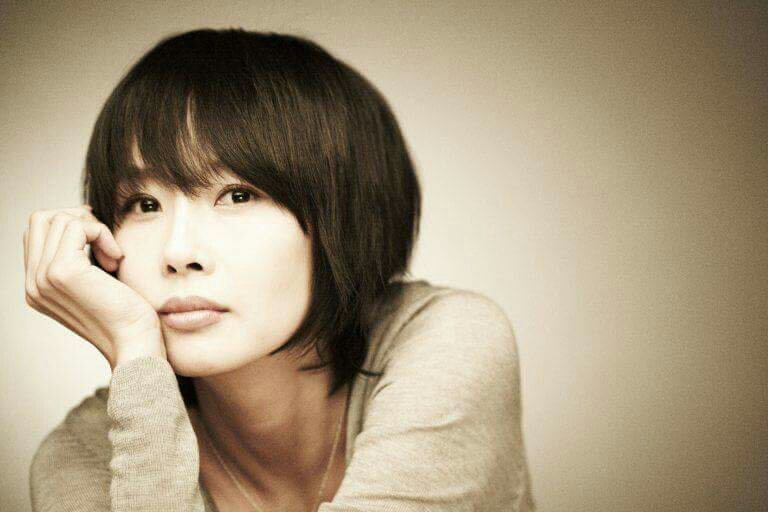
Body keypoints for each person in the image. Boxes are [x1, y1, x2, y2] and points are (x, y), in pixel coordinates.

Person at [24, 28, 536, 511]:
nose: (178, 252)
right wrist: (135, 351)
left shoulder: (447, 340)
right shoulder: (83, 455)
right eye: (144, 204)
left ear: (344, 215)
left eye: (237, 195)